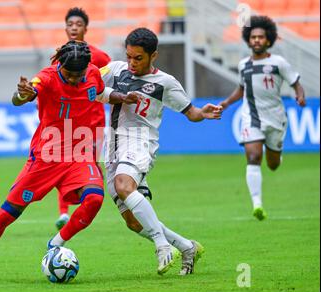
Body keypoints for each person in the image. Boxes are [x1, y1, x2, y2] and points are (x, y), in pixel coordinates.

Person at [0, 41, 139, 280]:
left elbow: (100, 92)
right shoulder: (46, 78)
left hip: (79, 153)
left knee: (94, 199)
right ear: (60, 65)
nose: (73, 80)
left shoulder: (90, 73)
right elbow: (21, 97)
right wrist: (22, 94)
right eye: (69, 75)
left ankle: (55, 245)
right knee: (7, 214)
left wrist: (122, 96)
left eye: (78, 75)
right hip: (46, 157)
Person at [101, 28, 223, 275]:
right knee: (133, 222)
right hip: (112, 146)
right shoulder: (115, 70)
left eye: (138, 58)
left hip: (140, 142)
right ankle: (186, 246)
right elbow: (90, 85)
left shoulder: (165, 83)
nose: (132, 63)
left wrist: (203, 113)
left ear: (153, 55)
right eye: (129, 57)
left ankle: (162, 246)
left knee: (125, 186)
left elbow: (190, 112)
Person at [219, 16, 306, 221]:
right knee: (253, 156)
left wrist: (300, 95)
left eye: (261, 37)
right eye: (253, 37)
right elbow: (242, 88)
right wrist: (227, 103)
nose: (257, 40)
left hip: (275, 118)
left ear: (269, 40)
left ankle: (276, 153)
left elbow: (295, 83)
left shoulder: (278, 63)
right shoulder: (243, 65)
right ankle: (257, 204)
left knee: (273, 164)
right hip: (252, 117)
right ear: (248, 40)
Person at [54, 7, 112, 230]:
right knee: (62, 164)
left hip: (94, 123)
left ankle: (87, 203)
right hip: (68, 123)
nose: (74, 28)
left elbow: (109, 83)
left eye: (78, 24)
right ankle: (64, 213)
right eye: (70, 24)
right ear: (66, 28)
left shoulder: (98, 56)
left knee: (89, 165)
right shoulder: (61, 55)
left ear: (86, 28)